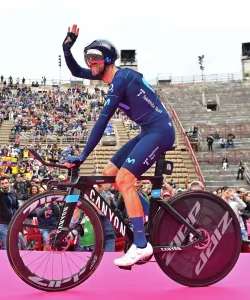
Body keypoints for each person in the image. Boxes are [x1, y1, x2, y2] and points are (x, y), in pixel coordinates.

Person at [62, 24, 175, 267]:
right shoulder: (112, 77)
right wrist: (67, 48)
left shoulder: (122, 78)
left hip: (160, 131)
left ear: (109, 59)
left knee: (124, 180)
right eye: (88, 58)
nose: (90, 62)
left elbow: (102, 122)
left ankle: (142, 245)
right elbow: (75, 70)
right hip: (148, 131)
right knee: (109, 174)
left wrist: (82, 156)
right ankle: (151, 216)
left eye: (95, 58)